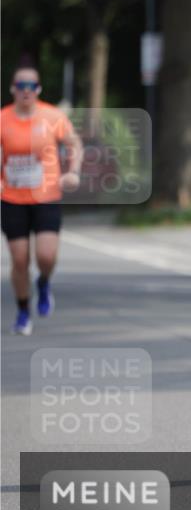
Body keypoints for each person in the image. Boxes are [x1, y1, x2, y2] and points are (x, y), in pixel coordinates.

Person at [1, 66, 82, 335]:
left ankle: (44, 282)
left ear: (38, 90)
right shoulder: (3, 119)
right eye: (21, 85)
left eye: (31, 86)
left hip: (46, 194)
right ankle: (24, 312)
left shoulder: (52, 116)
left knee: (46, 256)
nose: (26, 91)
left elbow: (74, 144)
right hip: (12, 197)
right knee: (20, 258)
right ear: (13, 88)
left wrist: (73, 171)